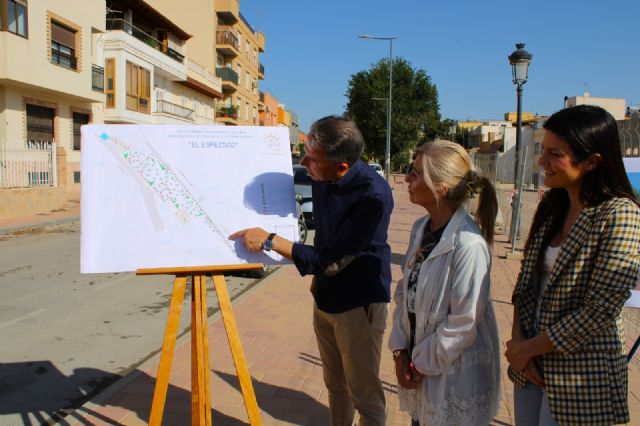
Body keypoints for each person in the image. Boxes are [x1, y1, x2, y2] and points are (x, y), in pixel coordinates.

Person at [230, 115, 393, 426]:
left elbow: (329, 259)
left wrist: (268, 240)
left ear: (341, 166)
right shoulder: (324, 175)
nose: (303, 163)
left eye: (311, 158)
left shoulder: (373, 195)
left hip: (358, 303)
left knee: (365, 396)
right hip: (326, 297)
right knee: (336, 386)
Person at [505, 104, 640, 425]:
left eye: (555, 154)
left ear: (592, 161)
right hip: (531, 368)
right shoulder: (554, 205)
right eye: (544, 151)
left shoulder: (620, 214)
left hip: (581, 374)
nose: (542, 162)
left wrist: (528, 350)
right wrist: (519, 346)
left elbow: (600, 308)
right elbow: (525, 283)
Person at [388, 140, 501, 425]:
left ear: (440, 188)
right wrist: (400, 351)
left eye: (415, 173)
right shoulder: (420, 229)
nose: (407, 179)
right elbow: (405, 291)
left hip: (450, 375)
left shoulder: (468, 244)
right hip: (420, 365)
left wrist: (419, 363)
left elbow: (463, 324)